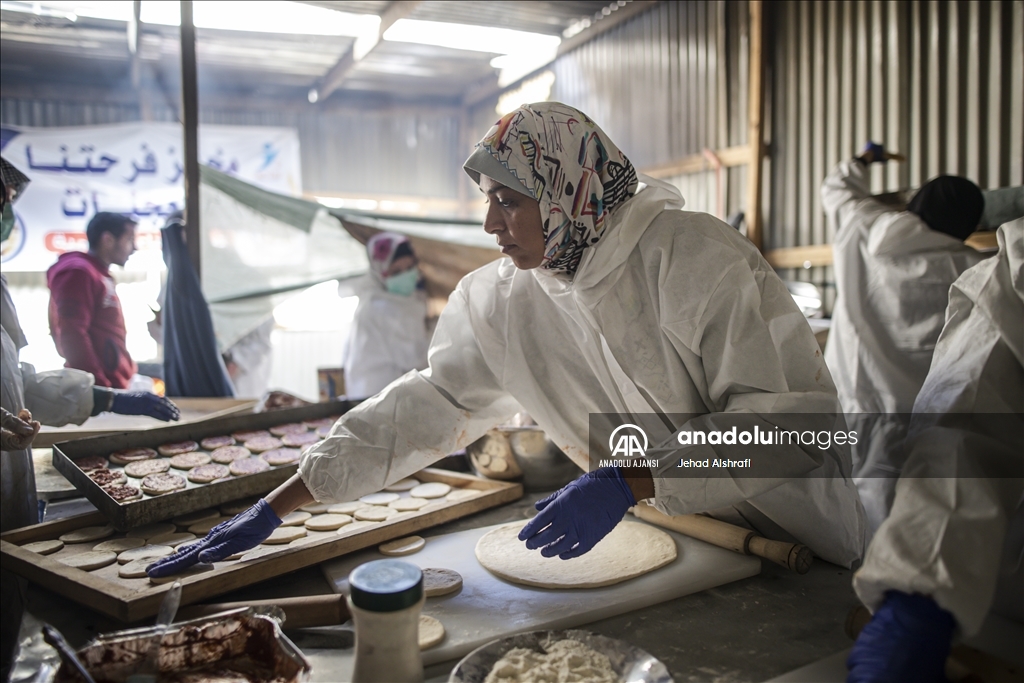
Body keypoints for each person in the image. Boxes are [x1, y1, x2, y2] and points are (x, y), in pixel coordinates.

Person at [149, 102, 864, 578]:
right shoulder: (508, 299)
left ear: (568, 192)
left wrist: (629, 479)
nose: (491, 225)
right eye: (489, 201)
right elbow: (428, 406)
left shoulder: (694, 259)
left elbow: (794, 425)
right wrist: (285, 501)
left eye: (509, 200)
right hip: (682, 540)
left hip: (795, 538)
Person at [1, 161, 179, 678]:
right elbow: (73, 336)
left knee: (7, 605)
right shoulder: (77, 273)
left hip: (8, 472)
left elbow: (17, 381)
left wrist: (106, 398)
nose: (8, 213)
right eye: (3, 201)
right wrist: (101, 383)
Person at [846, 219, 1023, 681]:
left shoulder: (862, 235)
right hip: (922, 449)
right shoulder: (974, 263)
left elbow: (967, 415)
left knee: (876, 540)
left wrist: (917, 588)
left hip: (876, 426)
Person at [821, 142, 989, 536]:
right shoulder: (975, 270)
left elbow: (836, 188)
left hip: (851, 407)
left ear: (916, 205)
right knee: (909, 524)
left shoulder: (864, 229)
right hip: (928, 420)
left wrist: (863, 160)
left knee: (843, 514)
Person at [47, 211, 139, 388]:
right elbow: (72, 333)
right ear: (108, 240)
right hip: (100, 390)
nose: (134, 248)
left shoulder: (98, 274)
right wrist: (99, 387)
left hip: (113, 385)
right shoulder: (78, 272)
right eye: (129, 240)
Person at [342, 232, 430, 399]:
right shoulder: (381, 308)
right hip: (378, 396)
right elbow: (414, 359)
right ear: (379, 273)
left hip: (376, 395)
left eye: (409, 268)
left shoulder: (381, 302)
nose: (405, 275)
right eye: (396, 271)